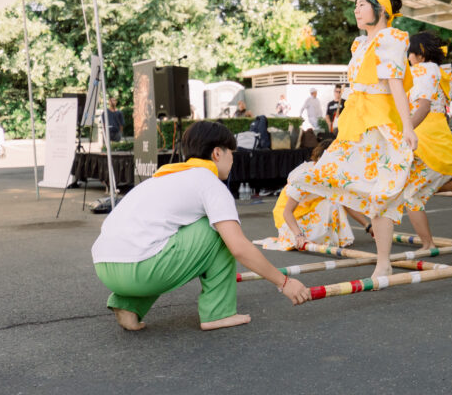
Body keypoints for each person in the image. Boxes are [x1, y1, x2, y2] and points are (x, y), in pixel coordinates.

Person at [90, 121, 310, 331]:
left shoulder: (163, 177)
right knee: (220, 232)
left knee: (158, 238)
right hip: (140, 271)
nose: (233, 159)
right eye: (230, 153)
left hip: (106, 268)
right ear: (217, 153)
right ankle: (218, 312)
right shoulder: (209, 182)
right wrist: (284, 282)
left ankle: (129, 305)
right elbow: (239, 247)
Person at [285, 0, 419, 280]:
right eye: (356, 4)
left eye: (362, 4)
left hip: (380, 125)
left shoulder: (390, 39)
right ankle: (381, 258)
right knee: (321, 174)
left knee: (381, 194)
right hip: (354, 125)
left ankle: (383, 262)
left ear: (380, 8)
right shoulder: (360, 44)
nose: (356, 9)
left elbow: (395, 83)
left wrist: (408, 127)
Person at [402, 32, 452, 249]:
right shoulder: (438, 72)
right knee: (410, 189)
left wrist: (405, 130)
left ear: (420, 55)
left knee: (411, 195)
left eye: (410, 54)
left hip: (426, 138)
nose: (408, 58)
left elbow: (422, 107)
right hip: (434, 135)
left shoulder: (421, 71)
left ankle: (427, 244)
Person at [260, 141, 358, 251]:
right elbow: (287, 212)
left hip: (308, 213)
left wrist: (368, 226)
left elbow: (347, 203)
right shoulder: (305, 176)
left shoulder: (332, 176)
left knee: (333, 202)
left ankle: (323, 238)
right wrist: (299, 235)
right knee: (331, 203)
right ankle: (309, 238)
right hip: (291, 220)